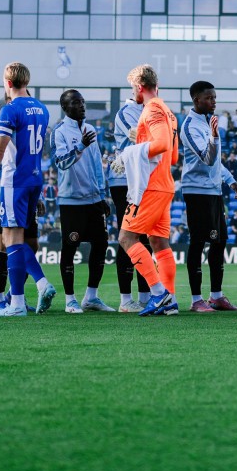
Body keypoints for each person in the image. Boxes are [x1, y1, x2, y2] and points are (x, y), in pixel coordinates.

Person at [0, 63, 57, 317]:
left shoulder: (10, 110)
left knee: (11, 241)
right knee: (20, 241)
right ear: (26, 82)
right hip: (34, 179)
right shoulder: (41, 109)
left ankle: (30, 293)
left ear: (8, 83)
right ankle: (19, 301)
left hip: (13, 181)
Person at [117, 65, 182, 316]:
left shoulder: (152, 108)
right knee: (158, 242)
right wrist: (143, 143)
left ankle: (158, 294)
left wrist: (132, 151)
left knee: (127, 238)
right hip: (165, 185)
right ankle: (170, 300)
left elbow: (163, 144)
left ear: (139, 87)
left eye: (133, 88)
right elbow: (173, 155)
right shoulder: (169, 112)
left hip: (150, 187)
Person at [51, 89, 114, 314]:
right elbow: (61, 163)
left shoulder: (89, 129)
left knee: (101, 244)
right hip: (71, 201)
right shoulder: (59, 132)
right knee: (70, 247)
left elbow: (97, 164)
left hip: (93, 199)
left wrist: (102, 195)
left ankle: (91, 296)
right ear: (65, 107)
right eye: (76, 103)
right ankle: (70, 300)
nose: (82, 106)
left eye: (83, 102)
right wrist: (80, 147)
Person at [178, 81, 237, 312]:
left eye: (214, 97)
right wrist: (213, 136)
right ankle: (196, 300)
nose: (214, 101)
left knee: (219, 241)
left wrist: (230, 179)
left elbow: (217, 163)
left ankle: (216, 296)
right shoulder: (190, 126)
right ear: (196, 100)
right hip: (197, 191)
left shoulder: (207, 122)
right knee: (198, 243)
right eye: (209, 98)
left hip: (213, 190)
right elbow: (207, 159)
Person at [107, 92, 144, 312]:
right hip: (125, 181)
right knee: (128, 236)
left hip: (145, 179)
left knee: (145, 237)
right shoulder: (125, 113)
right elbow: (140, 138)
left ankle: (146, 296)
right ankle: (125, 299)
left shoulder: (152, 110)